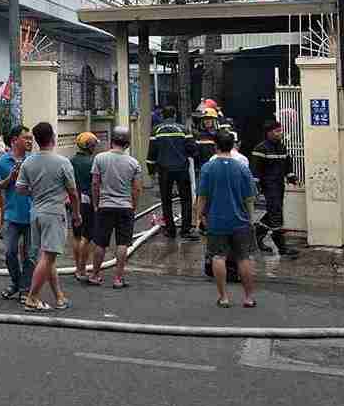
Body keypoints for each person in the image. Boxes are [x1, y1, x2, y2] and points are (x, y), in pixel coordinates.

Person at [18, 122, 82, 312]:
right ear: (53, 138)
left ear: (36, 140)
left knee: (47, 256)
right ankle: (32, 298)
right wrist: (76, 214)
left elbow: (20, 188)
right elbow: (73, 193)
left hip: (35, 212)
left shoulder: (28, 162)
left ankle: (59, 297)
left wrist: (35, 192)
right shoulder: (63, 162)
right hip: (54, 213)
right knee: (48, 256)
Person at [197, 128, 259, 308]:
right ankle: (248, 298)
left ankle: (224, 297)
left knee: (218, 257)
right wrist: (251, 219)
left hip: (216, 220)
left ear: (215, 146)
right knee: (244, 258)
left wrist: (199, 217)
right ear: (233, 145)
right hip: (241, 221)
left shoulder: (208, 168)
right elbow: (250, 198)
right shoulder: (242, 168)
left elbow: (202, 197)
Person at [89, 127, 143, 288]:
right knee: (122, 243)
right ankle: (118, 279)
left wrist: (96, 203)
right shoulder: (133, 163)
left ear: (112, 141)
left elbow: (95, 183)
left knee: (100, 242)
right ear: (127, 144)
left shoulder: (99, 158)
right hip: (125, 207)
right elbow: (137, 188)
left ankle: (95, 275)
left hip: (105, 205)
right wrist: (133, 206)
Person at [0, 124, 34, 300]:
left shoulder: (34, 160)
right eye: (26, 138)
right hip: (12, 215)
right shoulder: (2, 162)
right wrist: (10, 178)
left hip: (32, 214)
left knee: (30, 255)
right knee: (9, 253)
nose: (30, 141)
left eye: (31, 138)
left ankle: (25, 288)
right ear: (14, 140)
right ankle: (17, 282)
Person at [250, 120, 300, 259]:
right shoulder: (260, 149)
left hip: (279, 185)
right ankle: (282, 247)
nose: (280, 133)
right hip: (268, 186)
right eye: (277, 131)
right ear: (269, 133)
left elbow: (287, 165)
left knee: (274, 211)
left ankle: (258, 233)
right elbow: (255, 169)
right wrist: (256, 186)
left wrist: (291, 176)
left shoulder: (281, 147)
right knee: (276, 213)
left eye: (280, 130)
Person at [147, 105, 198, 240]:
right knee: (186, 199)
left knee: (166, 200)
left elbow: (152, 152)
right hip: (181, 169)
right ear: (175, 115)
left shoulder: (156, 131)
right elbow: (192, 149)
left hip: (164, 170)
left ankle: (170, 230)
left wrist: (151, 170)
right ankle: (186, 230)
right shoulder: (183, 129)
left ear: (162, 115)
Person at [69, 133, 99, 282]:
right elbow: (96, 183)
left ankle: (77, 267)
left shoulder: (71, 161)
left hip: (74, 201)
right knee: (87, 237)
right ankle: (82, 270)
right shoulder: (93, 162)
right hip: (88, 202)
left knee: (76, 235)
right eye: (93, 144)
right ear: (89, 146)